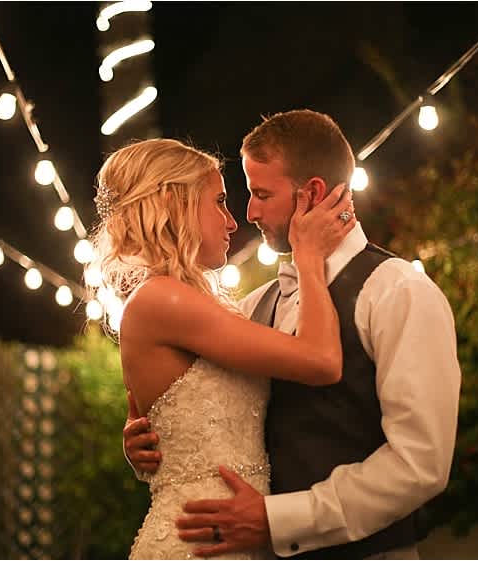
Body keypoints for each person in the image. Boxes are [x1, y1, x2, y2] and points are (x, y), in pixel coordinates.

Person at [124, 110, 462, 559]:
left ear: (313, 194)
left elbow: (421, 464)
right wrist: (147, 434)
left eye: (262, 193)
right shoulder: (252, 305)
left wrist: (279, 520)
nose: (249, 212)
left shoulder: (399, 291)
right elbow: (203, 406)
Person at [90, 137, 357, 559]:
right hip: (201, 544)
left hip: (227, 539)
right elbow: (322, 361)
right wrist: (309, 259)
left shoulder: (185, 302)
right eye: (218, 202)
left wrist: (147, 442)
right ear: (173, 204)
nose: (233, 222)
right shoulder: (165, 300)